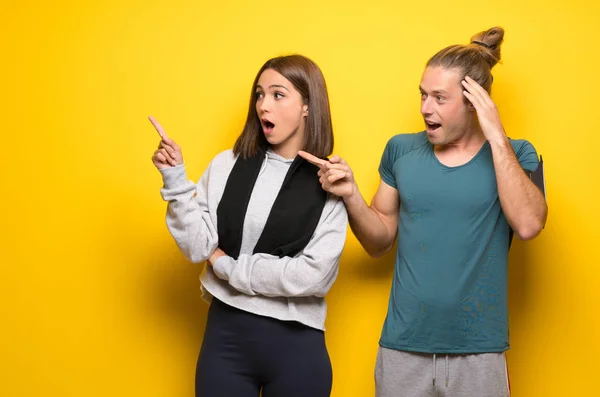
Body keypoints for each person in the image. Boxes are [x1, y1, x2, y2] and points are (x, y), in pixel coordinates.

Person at [300, 27, 548, 397]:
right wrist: (351, 196)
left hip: (478, 352)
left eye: (439, 98)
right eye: (422, 95)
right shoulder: (401, 151)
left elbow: (529, 224)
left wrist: (496, 136)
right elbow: (379, 240)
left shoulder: (516, 154)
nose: (424, 108)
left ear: (473, 101)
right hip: (402, 347)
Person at [150, 54, 347, 397]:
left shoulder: (330, 180)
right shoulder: (226, 165)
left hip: (297, 348)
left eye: (277, 94)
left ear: (307, 106)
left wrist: (228, 267)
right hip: (226, 339)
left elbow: (313, 277)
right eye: (259, 94)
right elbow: (198, 246)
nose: (263, 105)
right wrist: (176, 180)